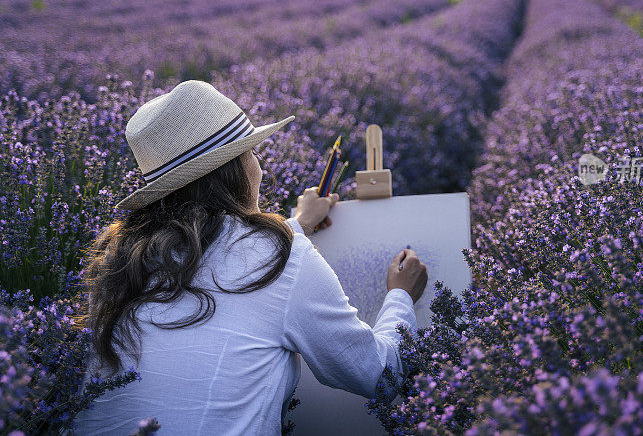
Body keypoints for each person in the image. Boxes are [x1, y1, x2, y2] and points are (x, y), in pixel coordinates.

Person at [70, 80, 428, 435]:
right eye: (252, 153)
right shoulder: (280, 256)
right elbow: (378, 376)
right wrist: (401, 296)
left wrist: (298, 224)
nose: (262, 169)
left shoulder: (119, 261)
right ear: (236, 170)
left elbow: (221, 261)